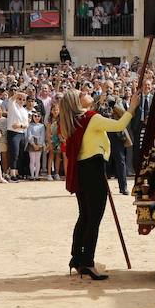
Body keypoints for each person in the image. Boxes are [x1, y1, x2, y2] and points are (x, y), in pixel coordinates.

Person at [58, 86, 140, 279]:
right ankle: (87, 262)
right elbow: (119, 125)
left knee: (85, 216)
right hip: (94, 170)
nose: (87, 93)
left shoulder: (74, 121)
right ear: (77, 102)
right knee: (93, 218)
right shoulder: (91, 118)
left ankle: (77, 257)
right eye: (82, 94)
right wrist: (132, 108)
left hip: (82, 170)